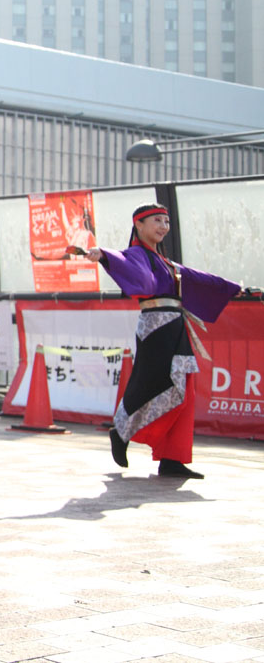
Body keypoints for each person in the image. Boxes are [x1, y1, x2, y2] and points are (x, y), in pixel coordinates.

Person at [85, 204, 247, 479]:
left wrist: (236, 289)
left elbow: (201, 279)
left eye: (166, 222)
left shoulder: (167, 263)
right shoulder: (137, 254)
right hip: (154, 328)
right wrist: (103, 255)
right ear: (139, 224)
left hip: (176, 326)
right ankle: (121, 432)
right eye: (157, 221)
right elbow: (124, 262)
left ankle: (173, 458)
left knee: (184, 391)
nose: (163, 226)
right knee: (150, 384)